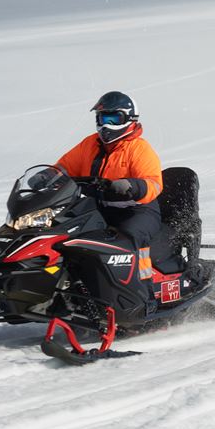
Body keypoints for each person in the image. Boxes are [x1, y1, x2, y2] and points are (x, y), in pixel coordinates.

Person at [55, 91, 163, 298]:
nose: (106, 125)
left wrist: (131, 186)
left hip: (137, 211)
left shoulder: (139, 149)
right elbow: (65, 166)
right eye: (102, 118)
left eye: (113, 119)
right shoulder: (90, 144)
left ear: (129, 119)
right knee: (67, 235)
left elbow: (154, 183)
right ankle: (71, 290)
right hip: (99, 209)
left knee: (131, 238)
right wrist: (49, 176)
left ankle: (143, 293)